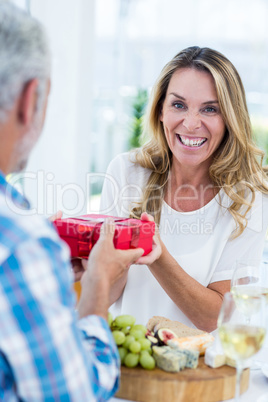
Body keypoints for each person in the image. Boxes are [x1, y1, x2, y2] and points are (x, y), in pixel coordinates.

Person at [0, 2, 156, 400]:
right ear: (30, 98)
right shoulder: (22, 242)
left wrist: (48, 281)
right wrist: (97, 283)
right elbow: (75, 393)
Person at [100, 46, 268, 332]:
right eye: (178, 105)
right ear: (161, 111)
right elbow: (108, 294)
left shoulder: (248, 198)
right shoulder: (126, 173)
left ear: (229, 118)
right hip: (131, 366)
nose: (190, 124)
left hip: (204, 373)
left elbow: (216, 317)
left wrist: (158, 256)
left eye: (210, 109)